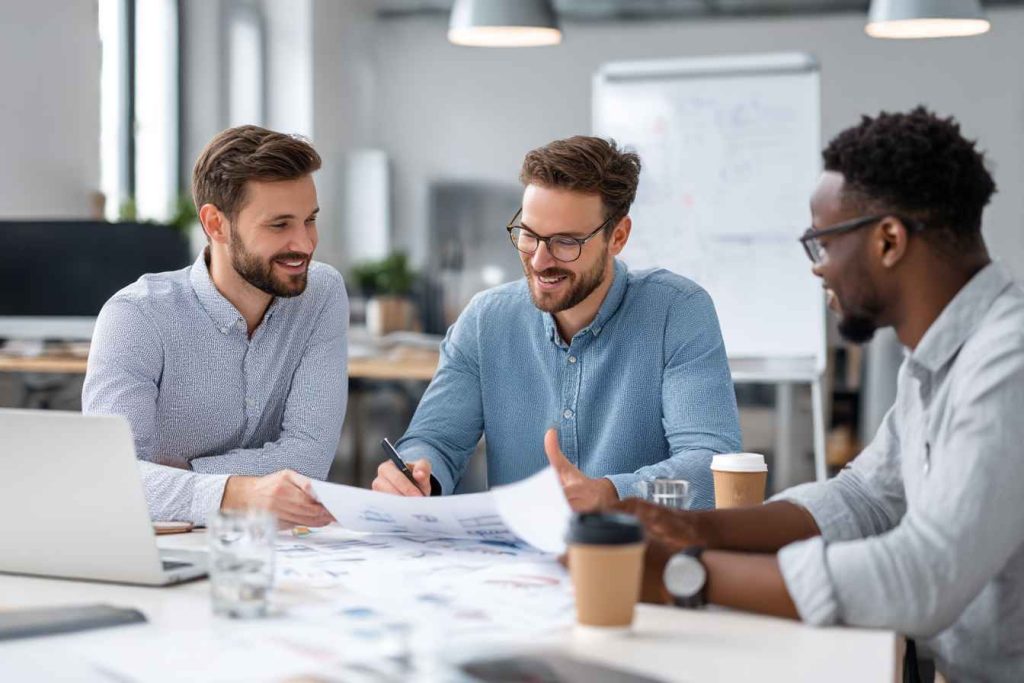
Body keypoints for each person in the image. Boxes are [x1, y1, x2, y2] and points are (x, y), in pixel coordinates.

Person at [615, 107, 1024, 681]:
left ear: (888, 240)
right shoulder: (935, 360)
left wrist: (688, 573)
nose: (818, 271)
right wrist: (699, 530)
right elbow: (867, 498)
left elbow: (925, 574)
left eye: (823, 244)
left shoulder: (1008, 363)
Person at [372, 136, 741, 510]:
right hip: (515, 546)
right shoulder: (486, 320)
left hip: (637, 543)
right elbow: (436, 441)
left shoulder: (677, 312)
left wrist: (613, 493)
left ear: (618, 237)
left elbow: (711, 467)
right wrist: (417, 475)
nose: (539, 261)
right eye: (529, 235)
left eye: (566, 242)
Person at [83, 125, 348, 527]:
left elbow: (308, 461)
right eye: (279, 225)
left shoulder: (321, 292)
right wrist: (238, 493)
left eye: (309, 220)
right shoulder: (136, 317)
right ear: (216, 224)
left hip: (270, 546)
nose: (305, 244)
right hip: (162, 546)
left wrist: (181, 478)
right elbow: (112, 480)